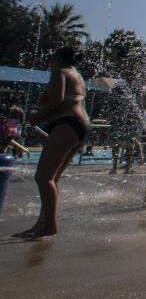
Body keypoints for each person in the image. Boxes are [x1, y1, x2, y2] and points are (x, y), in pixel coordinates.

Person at [14, 47, 91, 239]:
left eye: (51, 58)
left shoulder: (60, 72)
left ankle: (49, 226)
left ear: (57, 58)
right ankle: (42, 224)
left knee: (43, 178)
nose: (50, 62)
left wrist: (37, 116)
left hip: (67, 125)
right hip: (80, 126)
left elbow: (57, 99)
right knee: (52, 179)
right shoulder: (77, 75)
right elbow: (68, 99)